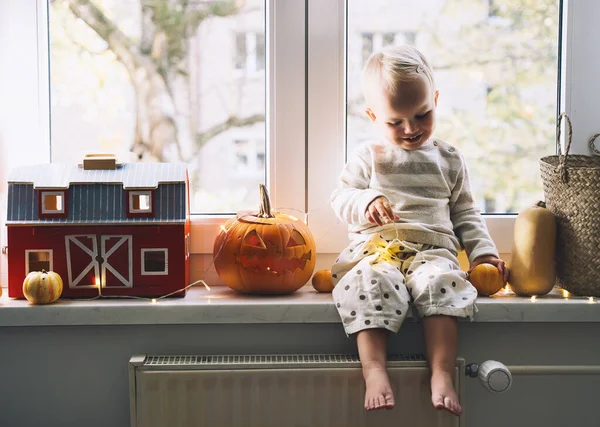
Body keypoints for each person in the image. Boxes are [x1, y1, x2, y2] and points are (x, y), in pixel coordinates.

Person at [330, 44, 509, 415]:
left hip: (432, 252)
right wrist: (365, 202)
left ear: (436, 100)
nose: (410, 129)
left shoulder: (448, 158)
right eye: (395, 121)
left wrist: (483, 254)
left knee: (442, 283)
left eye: (422, 114)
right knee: (368, 283)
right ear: (373, 116)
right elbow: (341, 197)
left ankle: (441, 372)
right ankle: (374, 369)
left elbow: (466, 211)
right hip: (377, 250)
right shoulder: (369, 156)